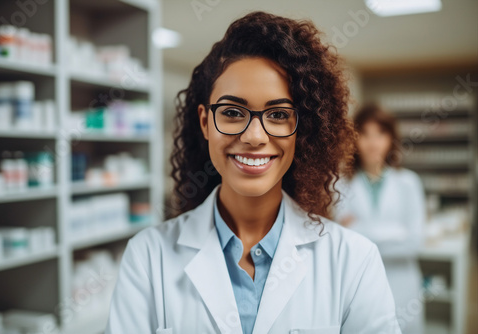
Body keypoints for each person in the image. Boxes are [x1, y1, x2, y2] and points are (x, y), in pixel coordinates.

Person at [105, 11, 401, 334]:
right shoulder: (148, 257)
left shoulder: (353, 262)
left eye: (277, 114)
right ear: (205, 122)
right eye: (232, 112)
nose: (254, 137)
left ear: (302, 128)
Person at [333, 104, 427, 334]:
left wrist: (359, 230)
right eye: (364, 134)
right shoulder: (341, 185)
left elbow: (413, 243)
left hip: (402, 284)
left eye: (380, 134)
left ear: (391, 139)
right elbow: (342, 243)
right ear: (354, 140)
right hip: (359, 286)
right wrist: (395, 231)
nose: (373, 143)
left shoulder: (408, 183)